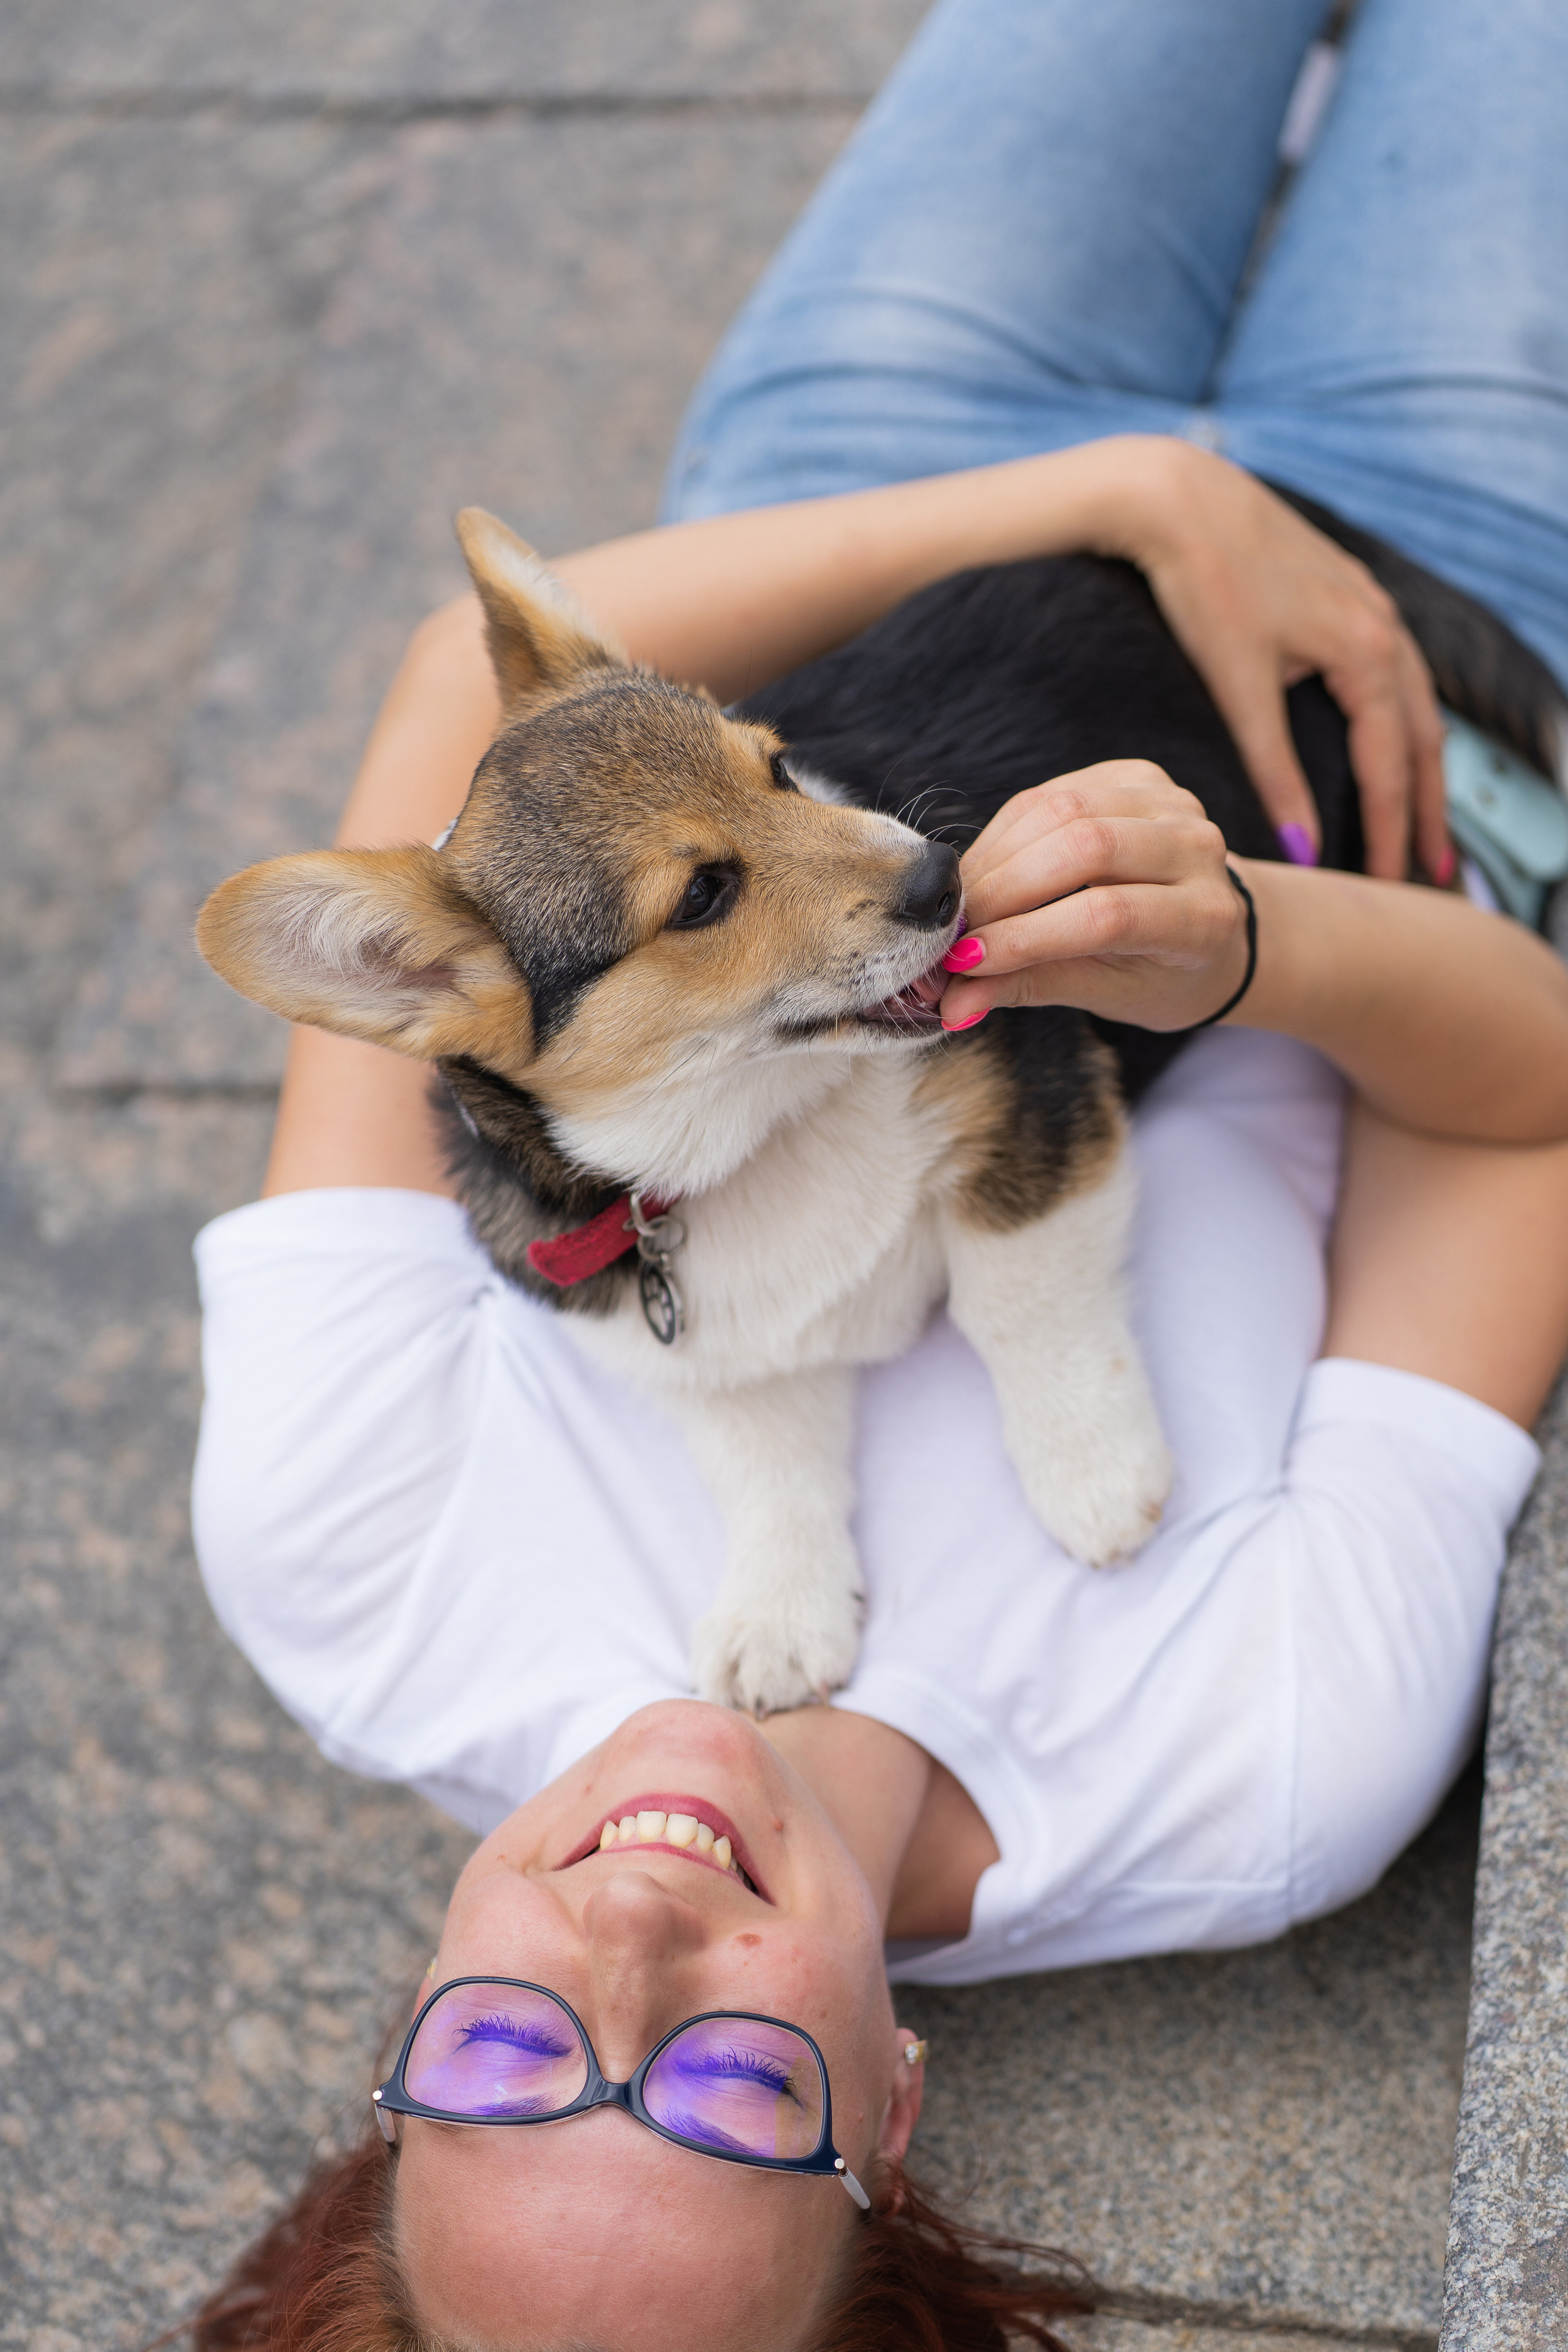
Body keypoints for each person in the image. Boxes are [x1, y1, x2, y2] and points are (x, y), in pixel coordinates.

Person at [181, 2, 1568, 2346]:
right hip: (1426, 625)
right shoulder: (1264, 1762)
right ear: (892, 2121)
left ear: (390, 2079)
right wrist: (1243, 945)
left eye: (513, 2059)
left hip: (861, 544)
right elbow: (1532, 1102)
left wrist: (1119, 492)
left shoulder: (353, 1568)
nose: (627, 1940)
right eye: (723, 2093)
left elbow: (477, 692)